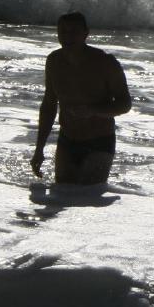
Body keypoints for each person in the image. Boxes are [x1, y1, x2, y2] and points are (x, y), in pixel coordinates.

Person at [30, 12, 132, 185]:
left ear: (86, 33)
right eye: (63, 31)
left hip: (99, 141)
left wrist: (93, 111)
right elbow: (49, 105)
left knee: (88, 197)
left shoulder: (105, 62)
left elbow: (125, 104)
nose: (68, 36)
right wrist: (39, 148)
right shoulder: (54, 61)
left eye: (74, 31)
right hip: (67, 140)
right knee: (62, 194)